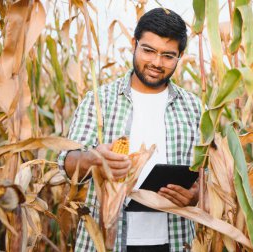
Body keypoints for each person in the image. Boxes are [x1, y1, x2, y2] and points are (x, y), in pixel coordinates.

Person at [58, 8, 202, 252]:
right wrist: (92, 159)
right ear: (134, 44)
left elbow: (206, 175)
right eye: (148, 50)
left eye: (168, 56)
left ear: (180, 56)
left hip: (176, 240)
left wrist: (196, 196)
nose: (156, 62)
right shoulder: (99, 100)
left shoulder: (194, 107)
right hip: (107, 241)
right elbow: (65, 163)